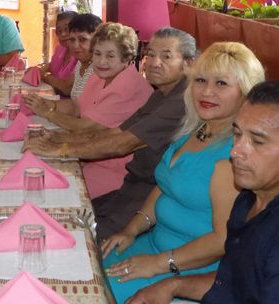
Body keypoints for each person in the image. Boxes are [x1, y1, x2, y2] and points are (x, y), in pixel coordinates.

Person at [101, 41, 265, 304]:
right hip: (155, 246)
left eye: (221, 84)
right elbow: (165, 186)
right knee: (87, 267)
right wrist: (131, 230)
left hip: (190, 270)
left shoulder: (233, 156)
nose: (207, 91)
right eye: (200, 80)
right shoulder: (197, 129)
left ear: (245, 92)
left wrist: (158, 264)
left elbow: (221, 240)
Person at [127, 80, 279, 304]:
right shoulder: (249, 197)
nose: (236, 151)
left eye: (257, 141)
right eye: (237, 135)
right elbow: (234, 281)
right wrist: (172, 285)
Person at [24, 27, 196, 238]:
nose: (154, 62)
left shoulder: (180, 101)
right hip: (132, 185)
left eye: (166, 56)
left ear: (189, 63)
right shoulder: (162, 94)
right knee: (61, 215)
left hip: (147, 193)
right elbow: (115, 132)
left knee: (70, 230)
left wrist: (61, 148)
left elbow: (121, 143)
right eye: (150, 54)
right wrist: (57, 138)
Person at [24, 22, 152, 133]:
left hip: (112, 159)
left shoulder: (127, 86)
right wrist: (41, 103)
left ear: (126, 58)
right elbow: (76, 107)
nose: (101, 62)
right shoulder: (99, 75)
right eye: (97, 54)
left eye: (110, 56)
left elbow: (87, 127)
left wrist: (47, 112)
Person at [37, 10, 78, 96]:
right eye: (59, 31)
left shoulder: (82, 55)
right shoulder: (61, 48)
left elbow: (66, 88)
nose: (63, 34)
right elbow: (51, 65)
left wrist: (44, 76)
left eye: (67, 29)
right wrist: (37, 70)